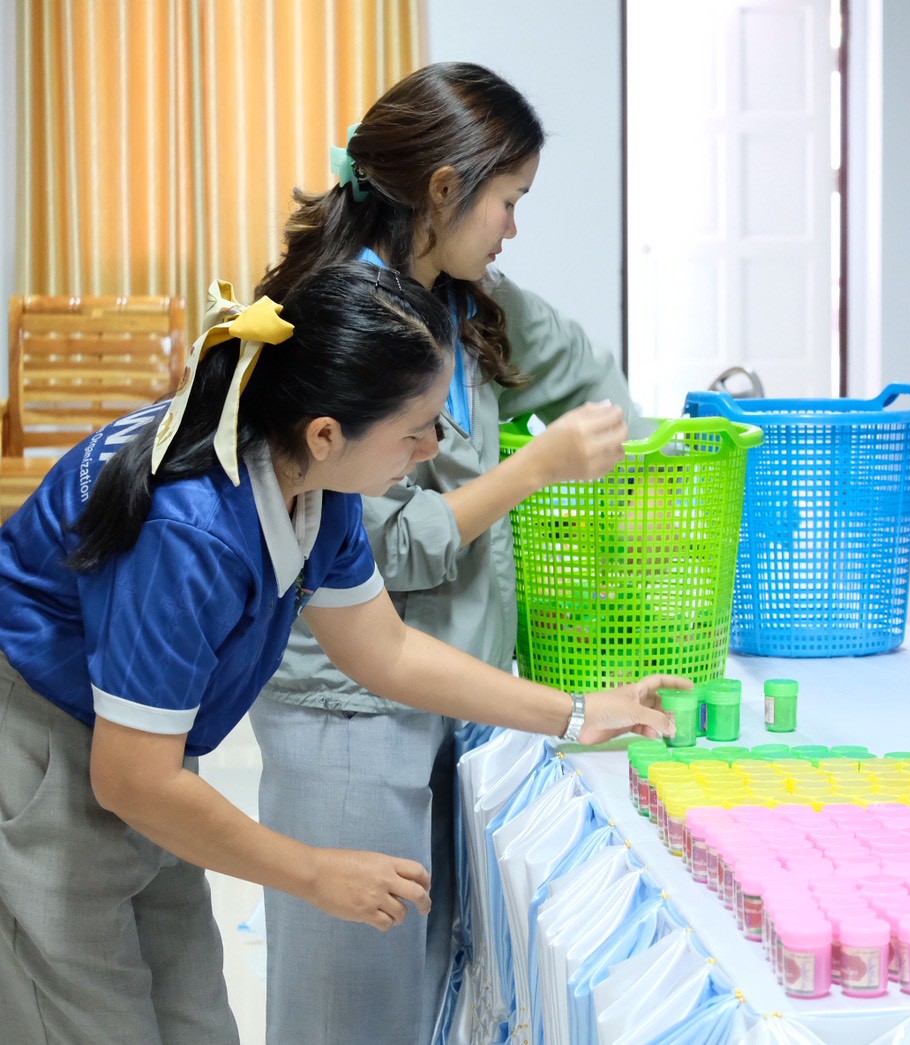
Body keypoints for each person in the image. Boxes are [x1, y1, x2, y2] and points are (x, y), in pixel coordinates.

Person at [0, 264, 678, 1045]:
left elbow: (385, 649)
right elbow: (131, 778)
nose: (430, 448)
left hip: (142, 752)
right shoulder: (190, 531)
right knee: (86, 1018)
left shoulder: (316, 487)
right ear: (325, 432)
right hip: (45, 747)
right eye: (414, 430)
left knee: (195, 1020)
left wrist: (579, 712)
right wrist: (315, 872)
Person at [248, 63, 639, 1045]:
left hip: (445, 696)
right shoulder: (340, 324)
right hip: (348, 710)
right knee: (347, 1008)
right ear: (443, 189)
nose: (514, 226)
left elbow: (590, 376)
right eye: (509, 200)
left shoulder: (465, 303)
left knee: (421, 990)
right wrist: (534, 469)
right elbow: (386, 546)